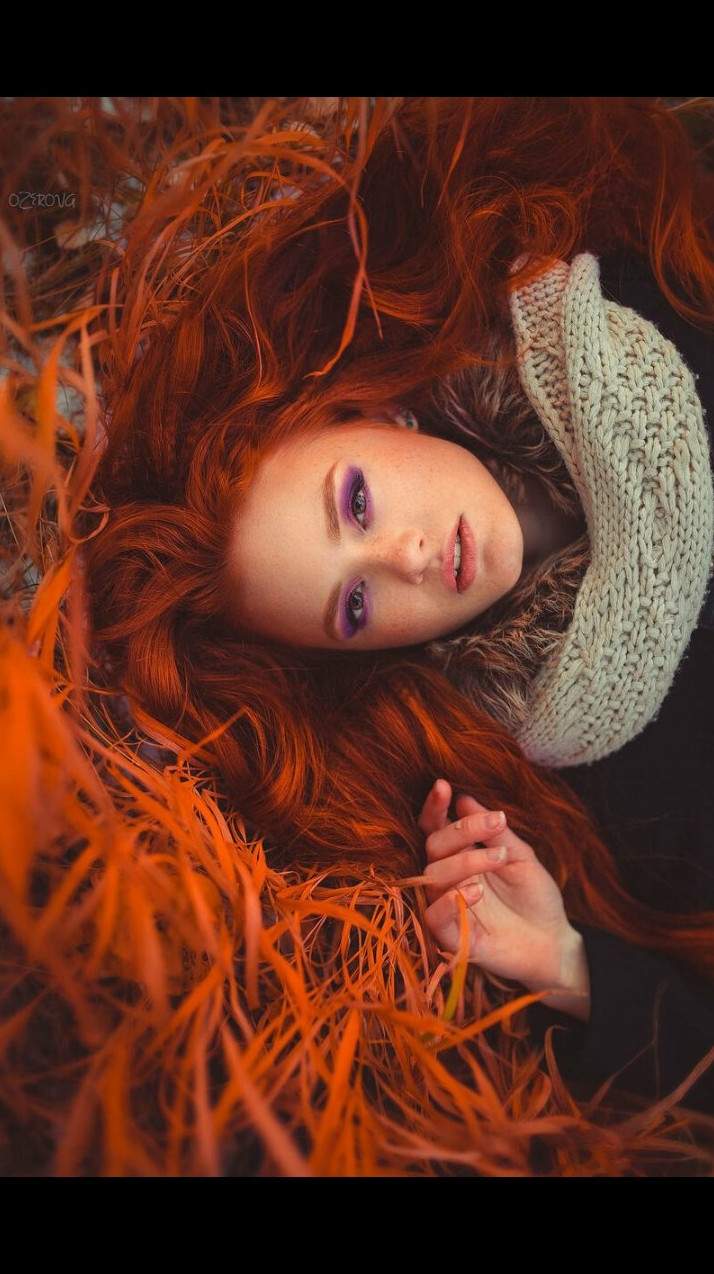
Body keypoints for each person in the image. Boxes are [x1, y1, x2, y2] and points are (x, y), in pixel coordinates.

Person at [82, 97, 714, 1128]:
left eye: (358, 502)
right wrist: (569, 963)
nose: (409, 559)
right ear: (361, 653)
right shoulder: (569, 801)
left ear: (375, 413)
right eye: (354, 603)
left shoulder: (618, 271)